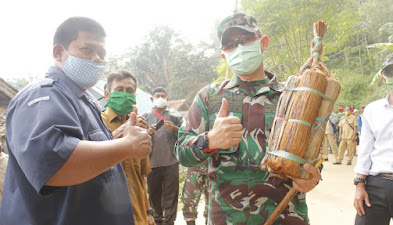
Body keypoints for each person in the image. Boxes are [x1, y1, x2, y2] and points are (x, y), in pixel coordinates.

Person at [0, 17, 152, 225]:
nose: (97, 59)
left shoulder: (85, 101)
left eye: (101, 53)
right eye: (87, 50)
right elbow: (54, 165)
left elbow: (87, 151)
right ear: (58, 53)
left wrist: (116, 138)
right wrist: (127, 146)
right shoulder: (43, 96)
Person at [174, 12, 321, 225]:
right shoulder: (209, 97)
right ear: (224, 56)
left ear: (264, 42)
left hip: (285, 215)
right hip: (226, 217)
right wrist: (210, 141)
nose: (239, 48)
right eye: (230, 45)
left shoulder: (294, 97)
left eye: (245, 40)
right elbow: (181, 153)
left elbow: (313, 154)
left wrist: (312, 177)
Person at [101, 70, 155, 225]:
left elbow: (141, 176)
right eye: (119, 90)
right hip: (109, 216)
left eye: (129, 91)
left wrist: (148, 212)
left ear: (134, 97)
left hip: (138, 217)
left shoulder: (140, 128)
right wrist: (124, 133)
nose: (125, 94)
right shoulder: (97, 123)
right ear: (107, 95)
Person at [353, 52, 393, 225]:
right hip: (376, 186)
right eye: (391, 73)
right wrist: (359, 184)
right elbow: (365, 149)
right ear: (383, 77)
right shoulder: (373, 110)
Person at [142, 87, 183, 225]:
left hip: (171, 162)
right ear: (152, 99)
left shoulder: (176, 116)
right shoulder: (145, 116)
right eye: (157, 96)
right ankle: (157, 220)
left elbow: (186, 135)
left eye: (163, 96)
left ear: (167, 98)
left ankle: (170, 222)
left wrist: (174, 129)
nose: (160, 98)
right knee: (154, 195)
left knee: (171, 195)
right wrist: (148, 132)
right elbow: (138, 137)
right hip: (151, 163)